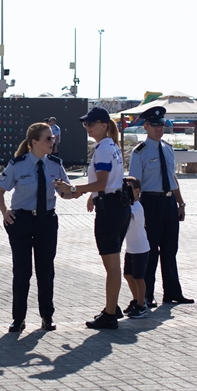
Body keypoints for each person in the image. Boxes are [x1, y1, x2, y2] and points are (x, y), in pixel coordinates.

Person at [55, 106, 129, 330]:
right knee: (113, 263)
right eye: (86, 124)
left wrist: (74, 188)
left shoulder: (104, 148)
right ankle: (112, 306)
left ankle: (110, 314)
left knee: (112, 266)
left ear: (104, 125)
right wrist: (91, 194)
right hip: (117, 206)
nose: (87, 127)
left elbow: (102, 182)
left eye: (91, 123)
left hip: (110, 210)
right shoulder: (111, 145)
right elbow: (108, 183)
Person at [0, 122, 69, 333]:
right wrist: (4, 211)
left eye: (53, 138)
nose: (52, 142)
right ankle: (18, 319)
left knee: (46, 270)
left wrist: (71, 190)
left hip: (46, 221)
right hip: (22, 221)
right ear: (34, 142)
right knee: (22, 271)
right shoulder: (18, 164)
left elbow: (66, 193)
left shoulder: (55, 164)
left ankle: (47, 316)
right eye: (48, 138)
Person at [126, 105, 191, 308]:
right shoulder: (140, 152)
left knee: (170, 249)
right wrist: (136, 211)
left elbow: (172, 178)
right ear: (145, 126)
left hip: (169, 202)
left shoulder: (168, 148)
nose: (159, 129)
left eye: (161, 125)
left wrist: (180, 202)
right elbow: (134, 183)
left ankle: (172, 292)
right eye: (154, 125)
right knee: (151, 251)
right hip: (150, 203)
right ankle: (147, 294)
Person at [120, 177, 150, 319]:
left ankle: (141, 305)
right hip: (130, 248)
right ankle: (136, 299)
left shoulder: (137, 207)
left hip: (140, 249)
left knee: (138, 277)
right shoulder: (127, 205)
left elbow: (128, 215)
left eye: (129, 189)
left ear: (137, 191)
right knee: (128, 275)